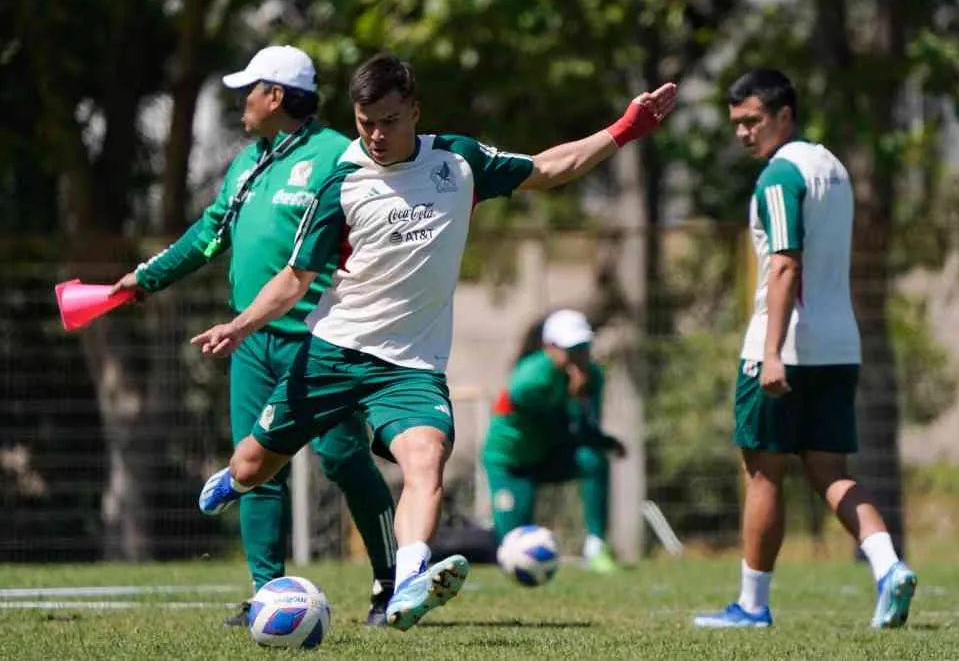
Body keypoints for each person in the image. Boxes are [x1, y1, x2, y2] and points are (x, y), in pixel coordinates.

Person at [192, 53, 677, 631]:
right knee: (252, 466)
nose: (375, 133)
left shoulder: (459, 160)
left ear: (415, 112)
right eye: (365, 120)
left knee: (426, 462)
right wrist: (240, 324)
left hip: (411, 365)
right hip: (332, 351)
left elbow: (551, 168)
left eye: (389, 120)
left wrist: (626, 129)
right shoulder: (342, 182)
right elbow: (295, 279)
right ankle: (233, 477)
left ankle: (408, 583)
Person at [109, 45, 397, 627]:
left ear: (277, 96)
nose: (242, 101)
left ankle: (391, 581)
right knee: (252, 468)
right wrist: (146, 278)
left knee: (343, 458)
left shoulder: (338, 155)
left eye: (251, 90)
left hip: (320, 342)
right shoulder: (248, 162)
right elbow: (209, 234)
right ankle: (267, 592)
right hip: (252, 345)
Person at [692, 69, 917, 629]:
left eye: (753, 121)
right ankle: (889, 567)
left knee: (764, 473)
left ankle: (752, 605)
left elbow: (786, 263)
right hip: (839, 344)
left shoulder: (778, 177)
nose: (744, 133)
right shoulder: (832, 167)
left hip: (785, 342)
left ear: (784, 115)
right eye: (737, 124)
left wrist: (770, 352)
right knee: (829, 470)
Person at [481, 309, 626, 573]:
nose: (580, 355)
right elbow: (554, 421)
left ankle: (596, 547)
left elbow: (582, 428)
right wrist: (572, 398)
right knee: (513, 544)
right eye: (572, 348)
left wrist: (603, 440)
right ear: (550, 348)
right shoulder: (529, 379)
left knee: (592, 459)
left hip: (548, 455)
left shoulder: (592, 376)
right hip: (512, 462)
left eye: (584, 347)